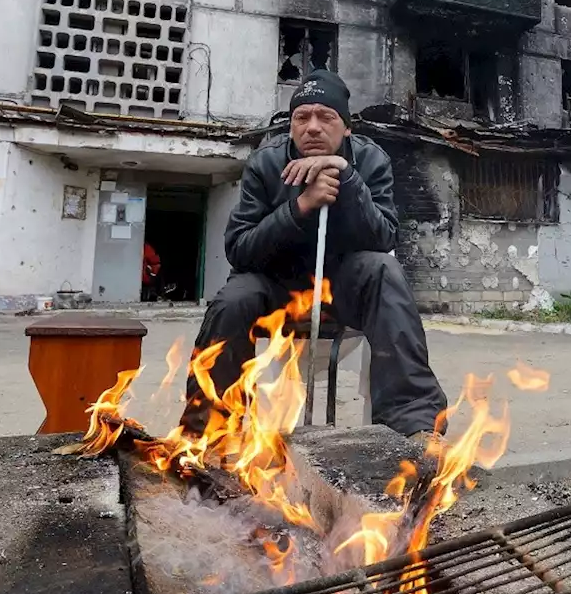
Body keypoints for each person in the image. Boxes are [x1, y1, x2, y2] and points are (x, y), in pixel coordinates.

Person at [178, 69, 448, 445]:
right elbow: (240, 249)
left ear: (347, 128)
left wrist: (346, 178)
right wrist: (301, 206)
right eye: (301, 118)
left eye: (326, 117)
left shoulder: (372, 161)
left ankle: (415, 427)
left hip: (342, 287)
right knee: (233, 298)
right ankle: (206, 431)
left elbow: (384, 236)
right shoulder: (266, 163)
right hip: (277, 286)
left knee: (383, 269)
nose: (313, 127)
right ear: (290, 128)